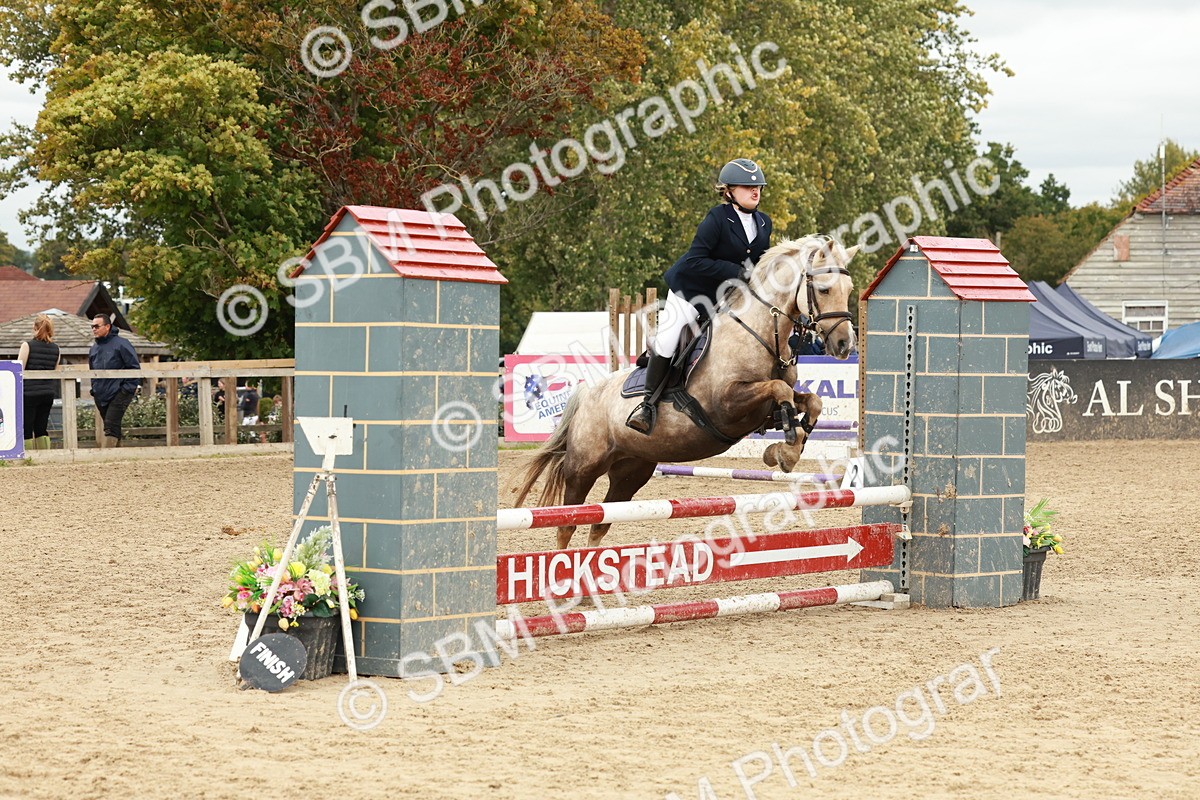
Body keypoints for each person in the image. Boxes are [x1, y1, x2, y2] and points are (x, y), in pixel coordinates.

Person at [626, 158, 773, 434]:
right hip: (691, 290)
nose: (755, 192)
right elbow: (695, 260)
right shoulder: (717, 218)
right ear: (729, 191)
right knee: (669, 340)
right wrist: (736, 270)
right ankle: (646, 406)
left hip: (727, 297)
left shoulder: (764, 223)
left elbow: (761, 265)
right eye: (747, 187)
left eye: (759, 187)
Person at [88, 313, 141, 447]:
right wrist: (94, 390)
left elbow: (134, 368)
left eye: (97, 326)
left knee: (111, 425)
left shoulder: (122, 344)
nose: (94, 329)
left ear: (107, 326)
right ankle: (117, 457)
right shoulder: (94, 348)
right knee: (112, 425)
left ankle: (107, 455)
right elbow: (92, 371)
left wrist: (127, 389)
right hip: (101, 394)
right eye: (92, 326)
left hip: (120, 392)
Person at [17, 314, 61, 451]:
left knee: (27, 427)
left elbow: (19, 369)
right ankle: (45, 455)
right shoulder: (56, 349)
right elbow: (55, 370)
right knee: (41, 427)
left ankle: (28, 456)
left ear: (34, 327)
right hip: (47, 392)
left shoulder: (27, 346)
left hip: (29, 393)